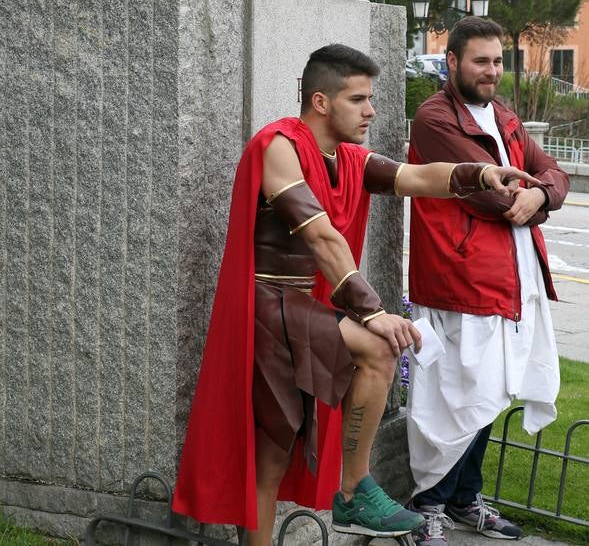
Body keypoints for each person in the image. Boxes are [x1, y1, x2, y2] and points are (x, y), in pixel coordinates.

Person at [172, 43, 539, 546]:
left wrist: (478, 175)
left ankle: (352, 488)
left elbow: (414, 177)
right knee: (273, 451)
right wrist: (374, 311)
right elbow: (321, 237)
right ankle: (352, 490)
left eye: (371, 98)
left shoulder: (347, 158)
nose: (370, 111)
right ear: (321, 101)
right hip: (265, 309)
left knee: (277, 451)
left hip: (295, 310)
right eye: (359, 99)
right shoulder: (278, 145)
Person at [406, 18, 569, 544]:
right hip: (460, 279)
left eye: (498, 61)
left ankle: (463, 499)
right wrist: (525, 194)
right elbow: (485, 187)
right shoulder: (436, 117)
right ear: (451, 61)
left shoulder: (506, 117)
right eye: (481, 61)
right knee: (454, 396)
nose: (492, 71)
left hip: (511, 279)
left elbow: (553, 172)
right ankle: (428, 502)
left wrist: (541, 195)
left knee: (492, 392)